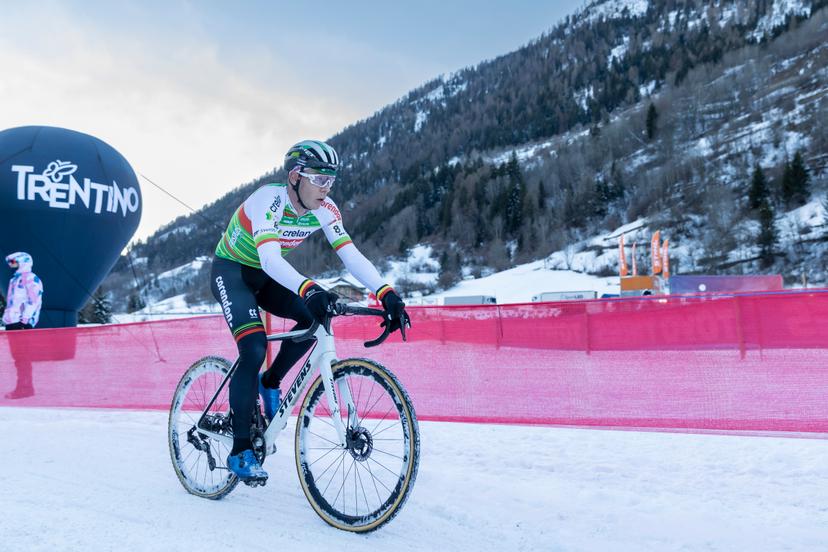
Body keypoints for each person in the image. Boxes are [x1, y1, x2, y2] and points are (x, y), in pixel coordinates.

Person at [210, 140, 410, 483]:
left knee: (312, 317)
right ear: (294, 177)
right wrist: (309, 287)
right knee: (254, 347)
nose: (326, 187)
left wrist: (386, 292)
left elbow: (350, 255)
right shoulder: (268, 199)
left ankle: (269, 383)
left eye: (331, 180)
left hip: (267, 276)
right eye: (319, 179)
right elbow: (271, 258)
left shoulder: (326, 209)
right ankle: (240, 449)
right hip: (233, 272)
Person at [3, 252, 43, 399]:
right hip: (12, 322)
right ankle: (25, 387)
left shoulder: (30, 279)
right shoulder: (15, 279)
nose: (11, 264)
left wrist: (24, 319)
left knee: (22, 357)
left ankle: (25, 388)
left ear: (23, 261)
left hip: (21, 323)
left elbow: (34, 300)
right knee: (19, 358)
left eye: (14, 261)